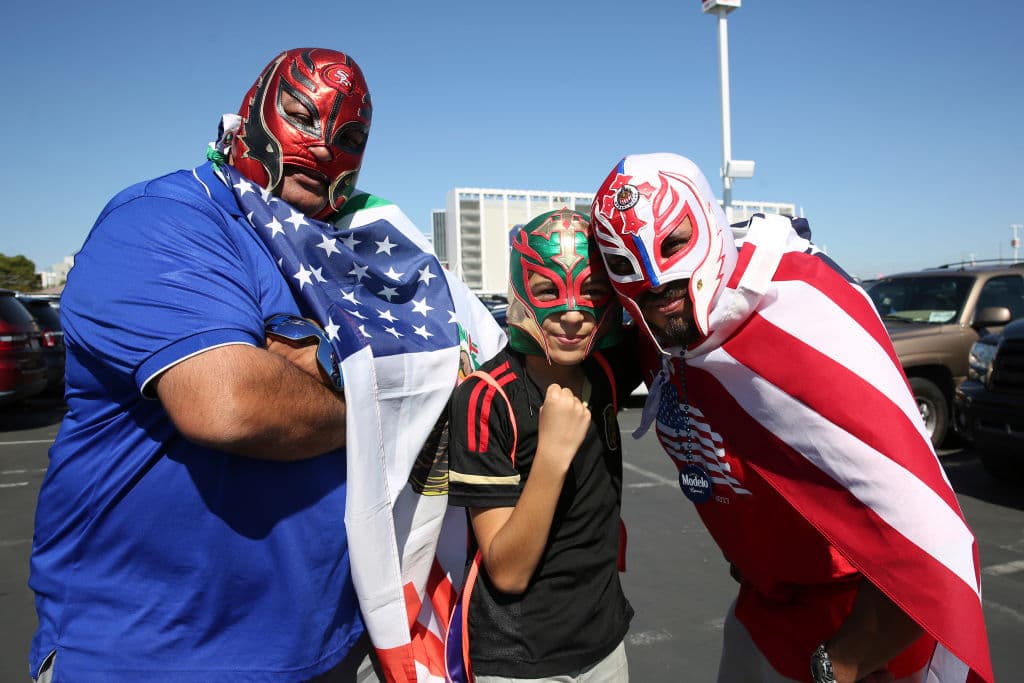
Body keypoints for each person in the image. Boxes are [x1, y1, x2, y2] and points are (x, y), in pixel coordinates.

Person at [28, 47, 503, 683]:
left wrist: (318, 365)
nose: (322, 148)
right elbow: (232, 405)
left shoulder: (352, 248)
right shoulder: (164, 219)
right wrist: (391, 388)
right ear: (254, 107)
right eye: (303, 116)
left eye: (350, 135)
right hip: (152, 655)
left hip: (332, 646)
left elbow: (458, 365)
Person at [588, 153, 994, 683]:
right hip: (765, 605)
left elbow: (933, 545)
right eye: (636, 279)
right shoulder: (654, 317)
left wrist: (841, 663)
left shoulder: (798, 319)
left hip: (856, 620)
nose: (663, 296)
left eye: (673, 249)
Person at [447, 208, 636, 682]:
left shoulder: (605, 369)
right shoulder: (486, 396)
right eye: (549, 290)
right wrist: (552, 455)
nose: (572, 314)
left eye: (591, 292)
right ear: (521, 290)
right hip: (519, 661)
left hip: (606, 644)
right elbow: (507, 572)